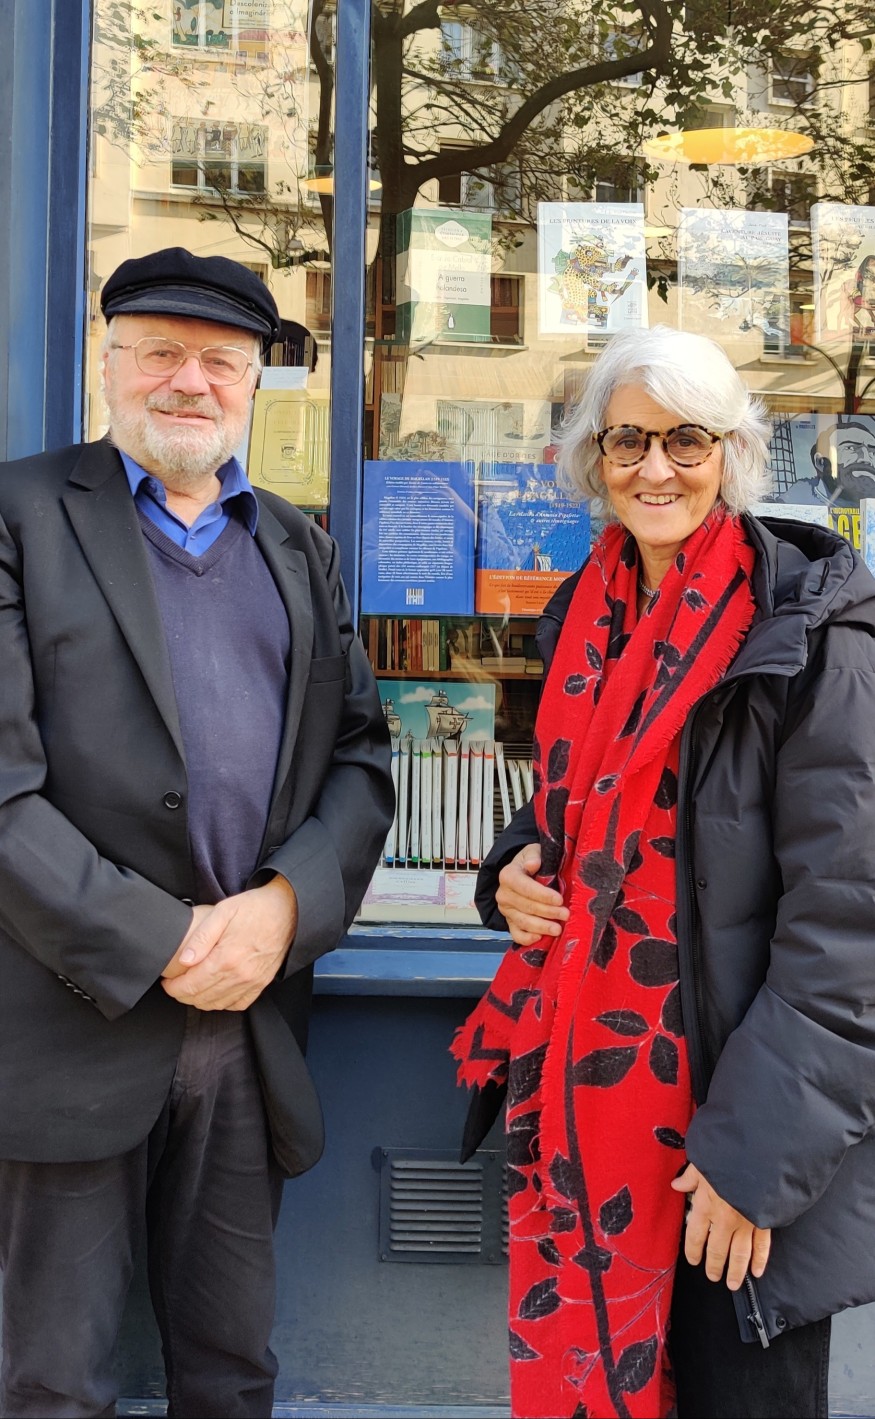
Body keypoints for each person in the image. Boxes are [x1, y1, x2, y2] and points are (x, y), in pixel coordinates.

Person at [452, 324, 875, 1419]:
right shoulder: (585, 616)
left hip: (735, 1136)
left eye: (686, 440)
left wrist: (752, 1159)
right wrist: (512, 865)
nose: (654, 468)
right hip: (590, 1112)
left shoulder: (808, 633)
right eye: (627, 440)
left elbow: (849, 924)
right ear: (593, 457)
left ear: (732, 453)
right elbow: (570, 809)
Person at [0, 246, 394, 1418]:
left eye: (220, 361)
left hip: (247, 1030)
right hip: (68, 1017)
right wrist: (161, 939)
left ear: (255, 381)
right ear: (108, 362)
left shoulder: (296, 545)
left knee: (230, 1374)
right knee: (54, 1383)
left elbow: (359, 756)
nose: (189, 381)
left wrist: (283, 909)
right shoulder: (18, 516)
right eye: (160, 352)